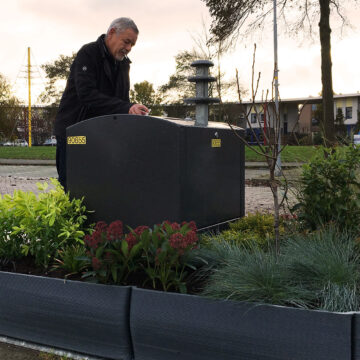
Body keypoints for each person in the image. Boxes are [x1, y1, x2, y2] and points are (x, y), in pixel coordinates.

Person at [54, 17, 149, 190]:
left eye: (132, 45)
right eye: (126, 42)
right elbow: (87, 95)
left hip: (101, 135)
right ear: (112, 32)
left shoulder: (123, 64)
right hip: (74, 131)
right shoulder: (88, 54)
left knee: (100, 189)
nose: (128, 49)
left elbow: (122, 101)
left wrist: (132, 111)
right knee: (72, 188)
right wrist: (126, 107)